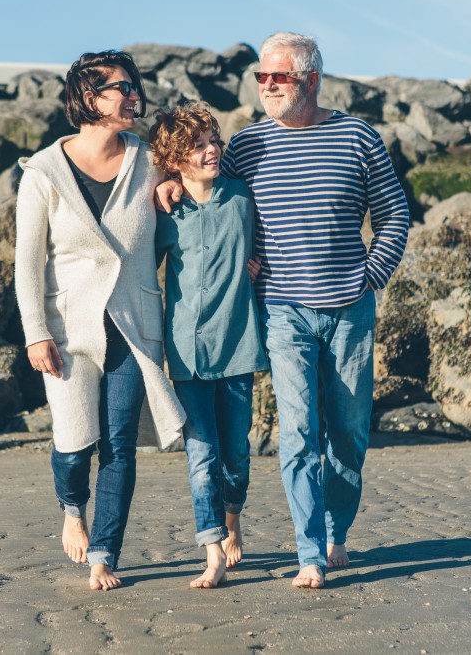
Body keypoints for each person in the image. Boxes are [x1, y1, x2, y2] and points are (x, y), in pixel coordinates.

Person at [158, 32, 410, 588]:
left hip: (350, 309)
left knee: (348, 433)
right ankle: (309, 554)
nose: (268, 85)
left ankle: (335, 530)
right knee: (297, 432)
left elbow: (394, 214)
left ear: (312, 79)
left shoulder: (357, 137)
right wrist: (165, 185)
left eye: (280, 76)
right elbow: (203, 186)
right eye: (261, 77)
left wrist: (370, 276)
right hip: (280, 310)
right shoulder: (248, 145)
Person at [15, 50, 186, 591]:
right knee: (73, 445)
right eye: (121, 88)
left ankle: (104, 553)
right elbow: (27, 261)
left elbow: (198, 180)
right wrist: (35, 333)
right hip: (68, 327)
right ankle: (72, 508)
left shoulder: (150, 160)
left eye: (135, 87)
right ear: (89, 99)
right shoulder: (43, 172)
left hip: (134, 323)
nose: (134, 96)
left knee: (118, 445)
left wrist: (173, 183)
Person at [149, 104, 268, 589]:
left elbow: (273, 244)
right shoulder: (166, 211)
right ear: (175, 160)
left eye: (213, 140)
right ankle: (213, 550)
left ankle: (233, 517)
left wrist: (256, 265)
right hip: (186, 353)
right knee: (201, 455)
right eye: (197, 146)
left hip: (237, 345)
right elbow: (141, 272)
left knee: (236, 455)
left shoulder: (242, 197)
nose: (212, 150)